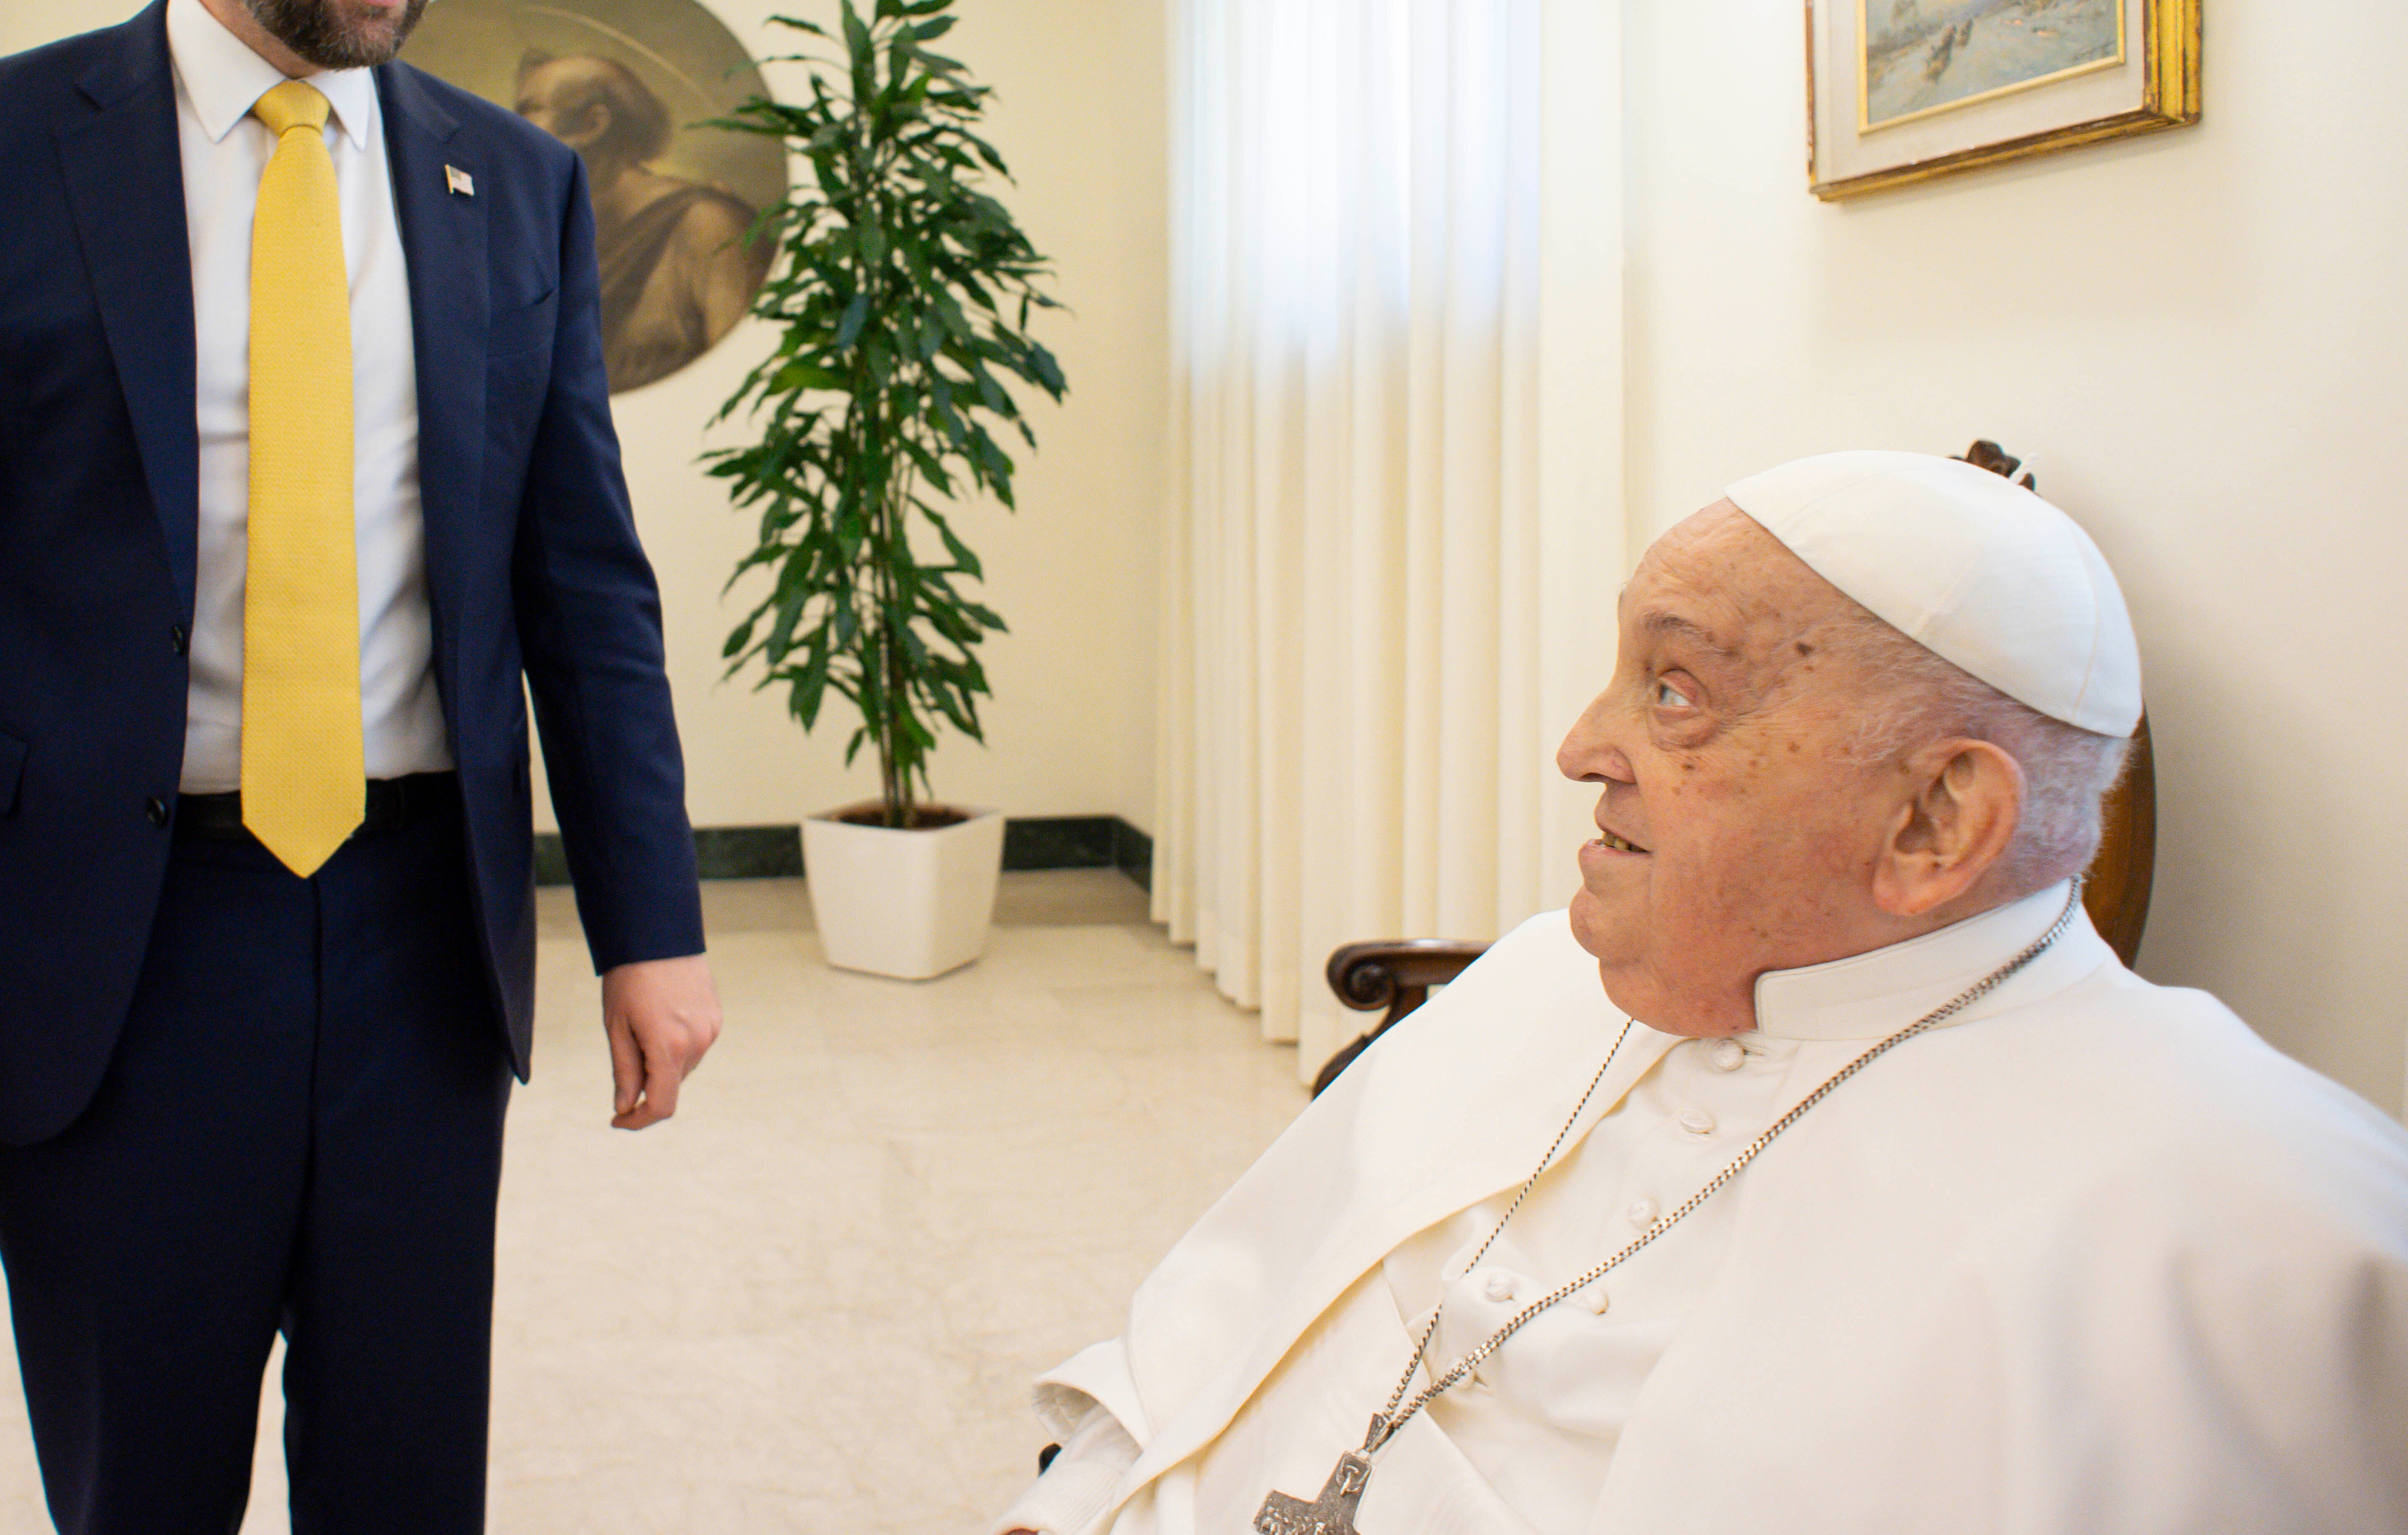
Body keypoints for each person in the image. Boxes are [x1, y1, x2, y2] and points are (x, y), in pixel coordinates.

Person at [0, 0, 719, 1535]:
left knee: (403, 1482)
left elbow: (584, 589)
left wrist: (652, 918)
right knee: (146, 1483)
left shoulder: (511, 185)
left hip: (418, 932)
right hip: (109, 946)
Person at [1000, 451, 2408, 1535]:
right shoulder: (1550, 968)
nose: (1576, 743)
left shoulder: (2255, 1235)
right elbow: (1231, 1337)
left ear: (1930, 820)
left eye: (1671, 689)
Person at [511, 48, 764, 390]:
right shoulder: (543, 237)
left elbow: (744, 379)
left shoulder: (709, 227)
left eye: (530, 111)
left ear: (592, 126)